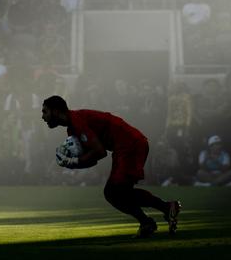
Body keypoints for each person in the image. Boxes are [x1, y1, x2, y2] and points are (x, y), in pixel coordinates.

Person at [40, 95, 181, 238]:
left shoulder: (77, 122)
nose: (43, 117)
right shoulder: (72, 127)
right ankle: (157, 215)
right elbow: (93, 159)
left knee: (114, 192)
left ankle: (160, 212)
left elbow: (99, 152)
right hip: (125, 146)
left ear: (56, 111)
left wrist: (74, 161)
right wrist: (72, 164)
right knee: (115, 193)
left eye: (45, 111)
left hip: (129, 144)